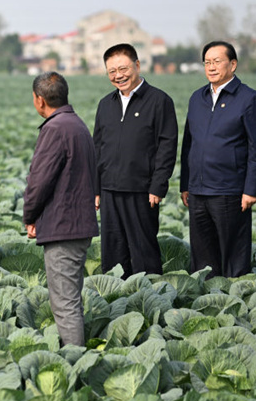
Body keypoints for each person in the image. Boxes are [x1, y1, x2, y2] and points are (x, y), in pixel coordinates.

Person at [180, 41, 256, 278]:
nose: (211, 67)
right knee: (202, 255)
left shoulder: (249, 99)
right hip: (198, 191)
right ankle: (206, 298)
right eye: (207, 62)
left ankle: (236, 297)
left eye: (217, 61)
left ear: (233, 64)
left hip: (229, 190)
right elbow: (188, 143)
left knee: (233, 254)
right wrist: (185, 184)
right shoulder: (197, 98)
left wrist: (251, 190)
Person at [24, 72, 98, 347]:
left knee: (64, 304)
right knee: (71, 299)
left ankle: (74, 364)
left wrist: (30, 216)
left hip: (62, 227)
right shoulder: (77, 124)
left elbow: (39, 181)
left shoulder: (54, 129)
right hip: (79, 225)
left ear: (39, 100)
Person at [93, 43, 178, 278]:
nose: (118, 76)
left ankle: (149, 298)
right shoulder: (105, 104)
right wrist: (96, 188)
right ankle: (115, 301)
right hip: (109, 189)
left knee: (143, 251)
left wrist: (158, 185)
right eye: (112, 71)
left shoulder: (159, 101)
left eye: (123, 68)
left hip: (142, 190)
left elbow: (167, 147)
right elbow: (97, 148)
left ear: (137, 65)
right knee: (112, 251)